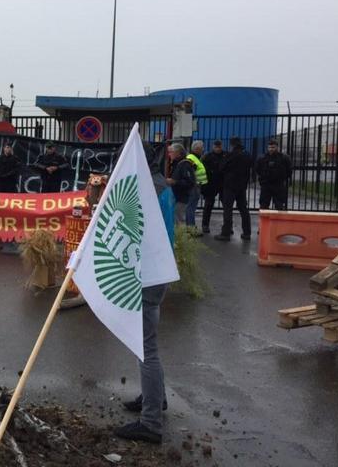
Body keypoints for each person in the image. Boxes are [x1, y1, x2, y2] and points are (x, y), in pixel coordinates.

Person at [115, 140, 173, 445]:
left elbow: (132, 229)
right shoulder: (162, 185)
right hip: (159, 271)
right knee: (148, 343)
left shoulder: (145, 190)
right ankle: (156, 398)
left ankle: (151, 422)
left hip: (148, 274)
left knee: (145, 347)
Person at [215, 136, 253, 241]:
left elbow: (221, 167)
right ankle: (247, 233)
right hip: (242, 186)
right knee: (243, 209)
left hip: (230, 185)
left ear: (231, 145)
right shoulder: (247, 155)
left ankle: (226, 233)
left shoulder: (230, 155)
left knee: (228, 209)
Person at [255, 138, 292, 210]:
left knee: (279, 206)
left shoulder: (284, 158)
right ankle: (264, 221)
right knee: (264, 206)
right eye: (269, 147)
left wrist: (282, 178)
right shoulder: (262, 158)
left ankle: (278, 221)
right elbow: (257, 170)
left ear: (277, 147)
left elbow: (289, 170)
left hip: (278, 185)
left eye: (273, 147)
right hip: (266, 184)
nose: (271, 149)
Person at [165, 143, 195, 225]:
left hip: (182, 197)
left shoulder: (185, 164)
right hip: (176, 195)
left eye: (171, 152)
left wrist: (175, 182)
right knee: (174, 217)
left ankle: (180, 236)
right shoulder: (176, 163)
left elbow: (190, 182)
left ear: (178, 153)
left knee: (178, 218)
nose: (169, 154)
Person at [200, 140, 226, 234]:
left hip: (223, 184)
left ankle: (227, 226)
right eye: (216, 147)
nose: (218, 149)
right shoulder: (207, 156)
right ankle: (205, 225)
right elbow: (203, 170)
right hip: (211, 184)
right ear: (213, 147)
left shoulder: (226, 155)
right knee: (208, 205)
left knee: (226, 206)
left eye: (219, 147)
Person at [185, 141, 207, 234]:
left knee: (191, 208)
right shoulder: (191, 158)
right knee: (191, 208)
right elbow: (189, 174)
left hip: (196, 186)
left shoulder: (195, 158)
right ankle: (191, 229)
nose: (203, 150)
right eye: (202, 148)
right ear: (197, 149)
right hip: (194, 187)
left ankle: (191, 227)